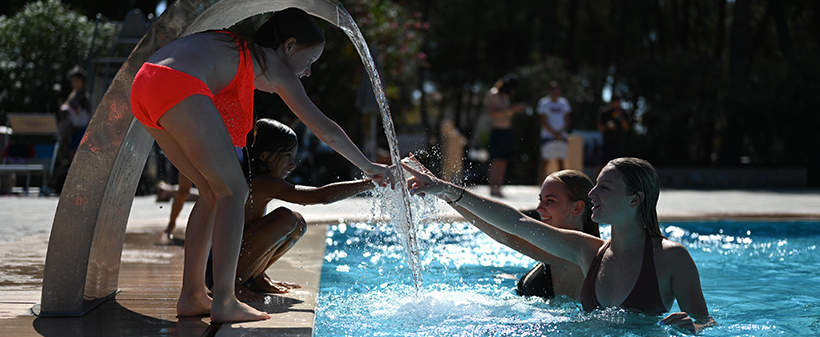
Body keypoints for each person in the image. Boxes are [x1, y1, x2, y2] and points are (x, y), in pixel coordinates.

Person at [130, 8, 390, 323]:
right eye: (309, 62)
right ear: (289, 45)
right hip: (179, 83)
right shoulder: (274, 65)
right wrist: (368, 166)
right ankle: (224, 300)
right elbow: (325, 129)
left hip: (145, 82)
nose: (307, 73)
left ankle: (193, 295)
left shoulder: (235, 45)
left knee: (213, 192)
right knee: (234, 190)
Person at [403, 157, 715, 334]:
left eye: (603, 188)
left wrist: (695, 328)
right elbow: (515, 224)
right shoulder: (587, 252)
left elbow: (707, 322)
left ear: (635, 200)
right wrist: (444, 188)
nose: (592, 195)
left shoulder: (671, 258)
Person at [205, 118, 375, 302]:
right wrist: (370, 183)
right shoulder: (259, 182)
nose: (293, 164)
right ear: (265, 156)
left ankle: (256, 277)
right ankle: (229, 287)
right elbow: (320, 196)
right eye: (287, 156)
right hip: (218, 271)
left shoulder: (260, 179)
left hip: (223, 264)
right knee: (285, 218)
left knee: (298, 223)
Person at [451, 166, 599, 299]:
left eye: (550, 200)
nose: (540, 208)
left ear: (577, 208)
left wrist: (446, 191)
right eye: (540, 199)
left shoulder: (583, 252)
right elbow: (503, 234)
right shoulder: (550, 249)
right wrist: (446, 195)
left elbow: (505, 235)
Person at [485, 74, 527, 197]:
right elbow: (494, 114)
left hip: (506, 131)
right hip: (497, 131)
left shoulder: (504, 96)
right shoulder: (494, 93)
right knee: (496, 160)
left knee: (503, 160)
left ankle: (498, 187)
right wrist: (512, 110)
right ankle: (492, 187)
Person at [537, 81, 571, 182]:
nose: (555, 91)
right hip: (548, 136)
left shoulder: (564, 103)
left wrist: (560, 132)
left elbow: (567, 118)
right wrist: (554, 133)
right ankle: (541, 182)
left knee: (561, 160)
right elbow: (543, 120)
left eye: (557, 89)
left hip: (561, 136)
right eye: (553, 89)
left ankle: (562, 183)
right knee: (545, 160)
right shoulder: (544, 103)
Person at [597, 95, 630, 174]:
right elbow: (599, 127)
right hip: (607, 142)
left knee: (620, 164)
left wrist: (620, 115)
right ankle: (597, 180)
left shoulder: (623, 112)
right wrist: (607, 127)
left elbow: (626, 127)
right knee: (602, 163)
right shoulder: (605, 112)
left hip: (619, 142)